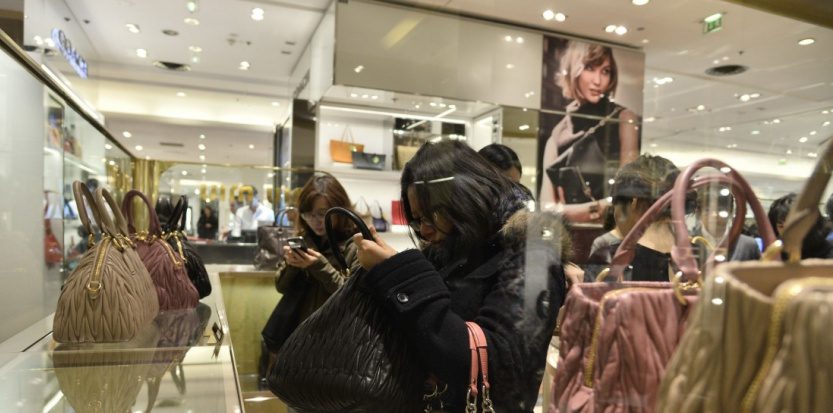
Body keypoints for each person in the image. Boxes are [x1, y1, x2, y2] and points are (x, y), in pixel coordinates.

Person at [352, 139, 570, 411]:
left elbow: (498, 368)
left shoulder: (533, 254)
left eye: (431, 215)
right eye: (417, 220)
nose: (424, 230)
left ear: (465, 198)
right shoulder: (449, 247)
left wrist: (400, 274)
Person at [540, 42, 639, 223]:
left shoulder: (623, 119)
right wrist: (598, 208)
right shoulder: (557, 134)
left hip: (610, 234)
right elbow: (546, 208)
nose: (598, 80)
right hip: (569, 238)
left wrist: (567, 211)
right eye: (590, 68)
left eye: (605, 71)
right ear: (574, 70)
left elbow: (626, 198)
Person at [265, 174, 360, 353]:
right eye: (309, 214)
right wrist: (294, 263)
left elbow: (353, 298)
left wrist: (318, 266)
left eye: (323, 213)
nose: (316, 221)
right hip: (301, 334)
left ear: (340, 208)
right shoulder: (305, 239)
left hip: (338, 340)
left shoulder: (356, 243)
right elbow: (281, 287)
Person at [587, 154, 679, 282]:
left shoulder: (612, 259)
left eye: (615, 207)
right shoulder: (699, 253)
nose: (615, 217)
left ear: (633, 203)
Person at [690, 185, 760, 262]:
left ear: (730, 212)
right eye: (708, 210)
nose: (714, 215)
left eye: (720, 210)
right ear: (699, 213)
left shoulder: (748, 245)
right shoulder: (688, 242)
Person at [768, 193, 833, 258]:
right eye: (781, 226)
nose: (787, 232)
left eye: (793, 226)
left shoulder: (829, 252)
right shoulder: (775, 252)